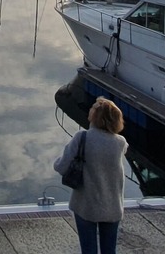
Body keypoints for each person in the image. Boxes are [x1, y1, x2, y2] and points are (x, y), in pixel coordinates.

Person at [54, 97, 128, 254]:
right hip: (112, 206)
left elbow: (61, 167)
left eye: (93, 108)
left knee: (89, 250)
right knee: (109, 250)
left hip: (86, 205)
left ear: (95, 116)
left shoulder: (82, 137)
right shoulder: (120, 142)